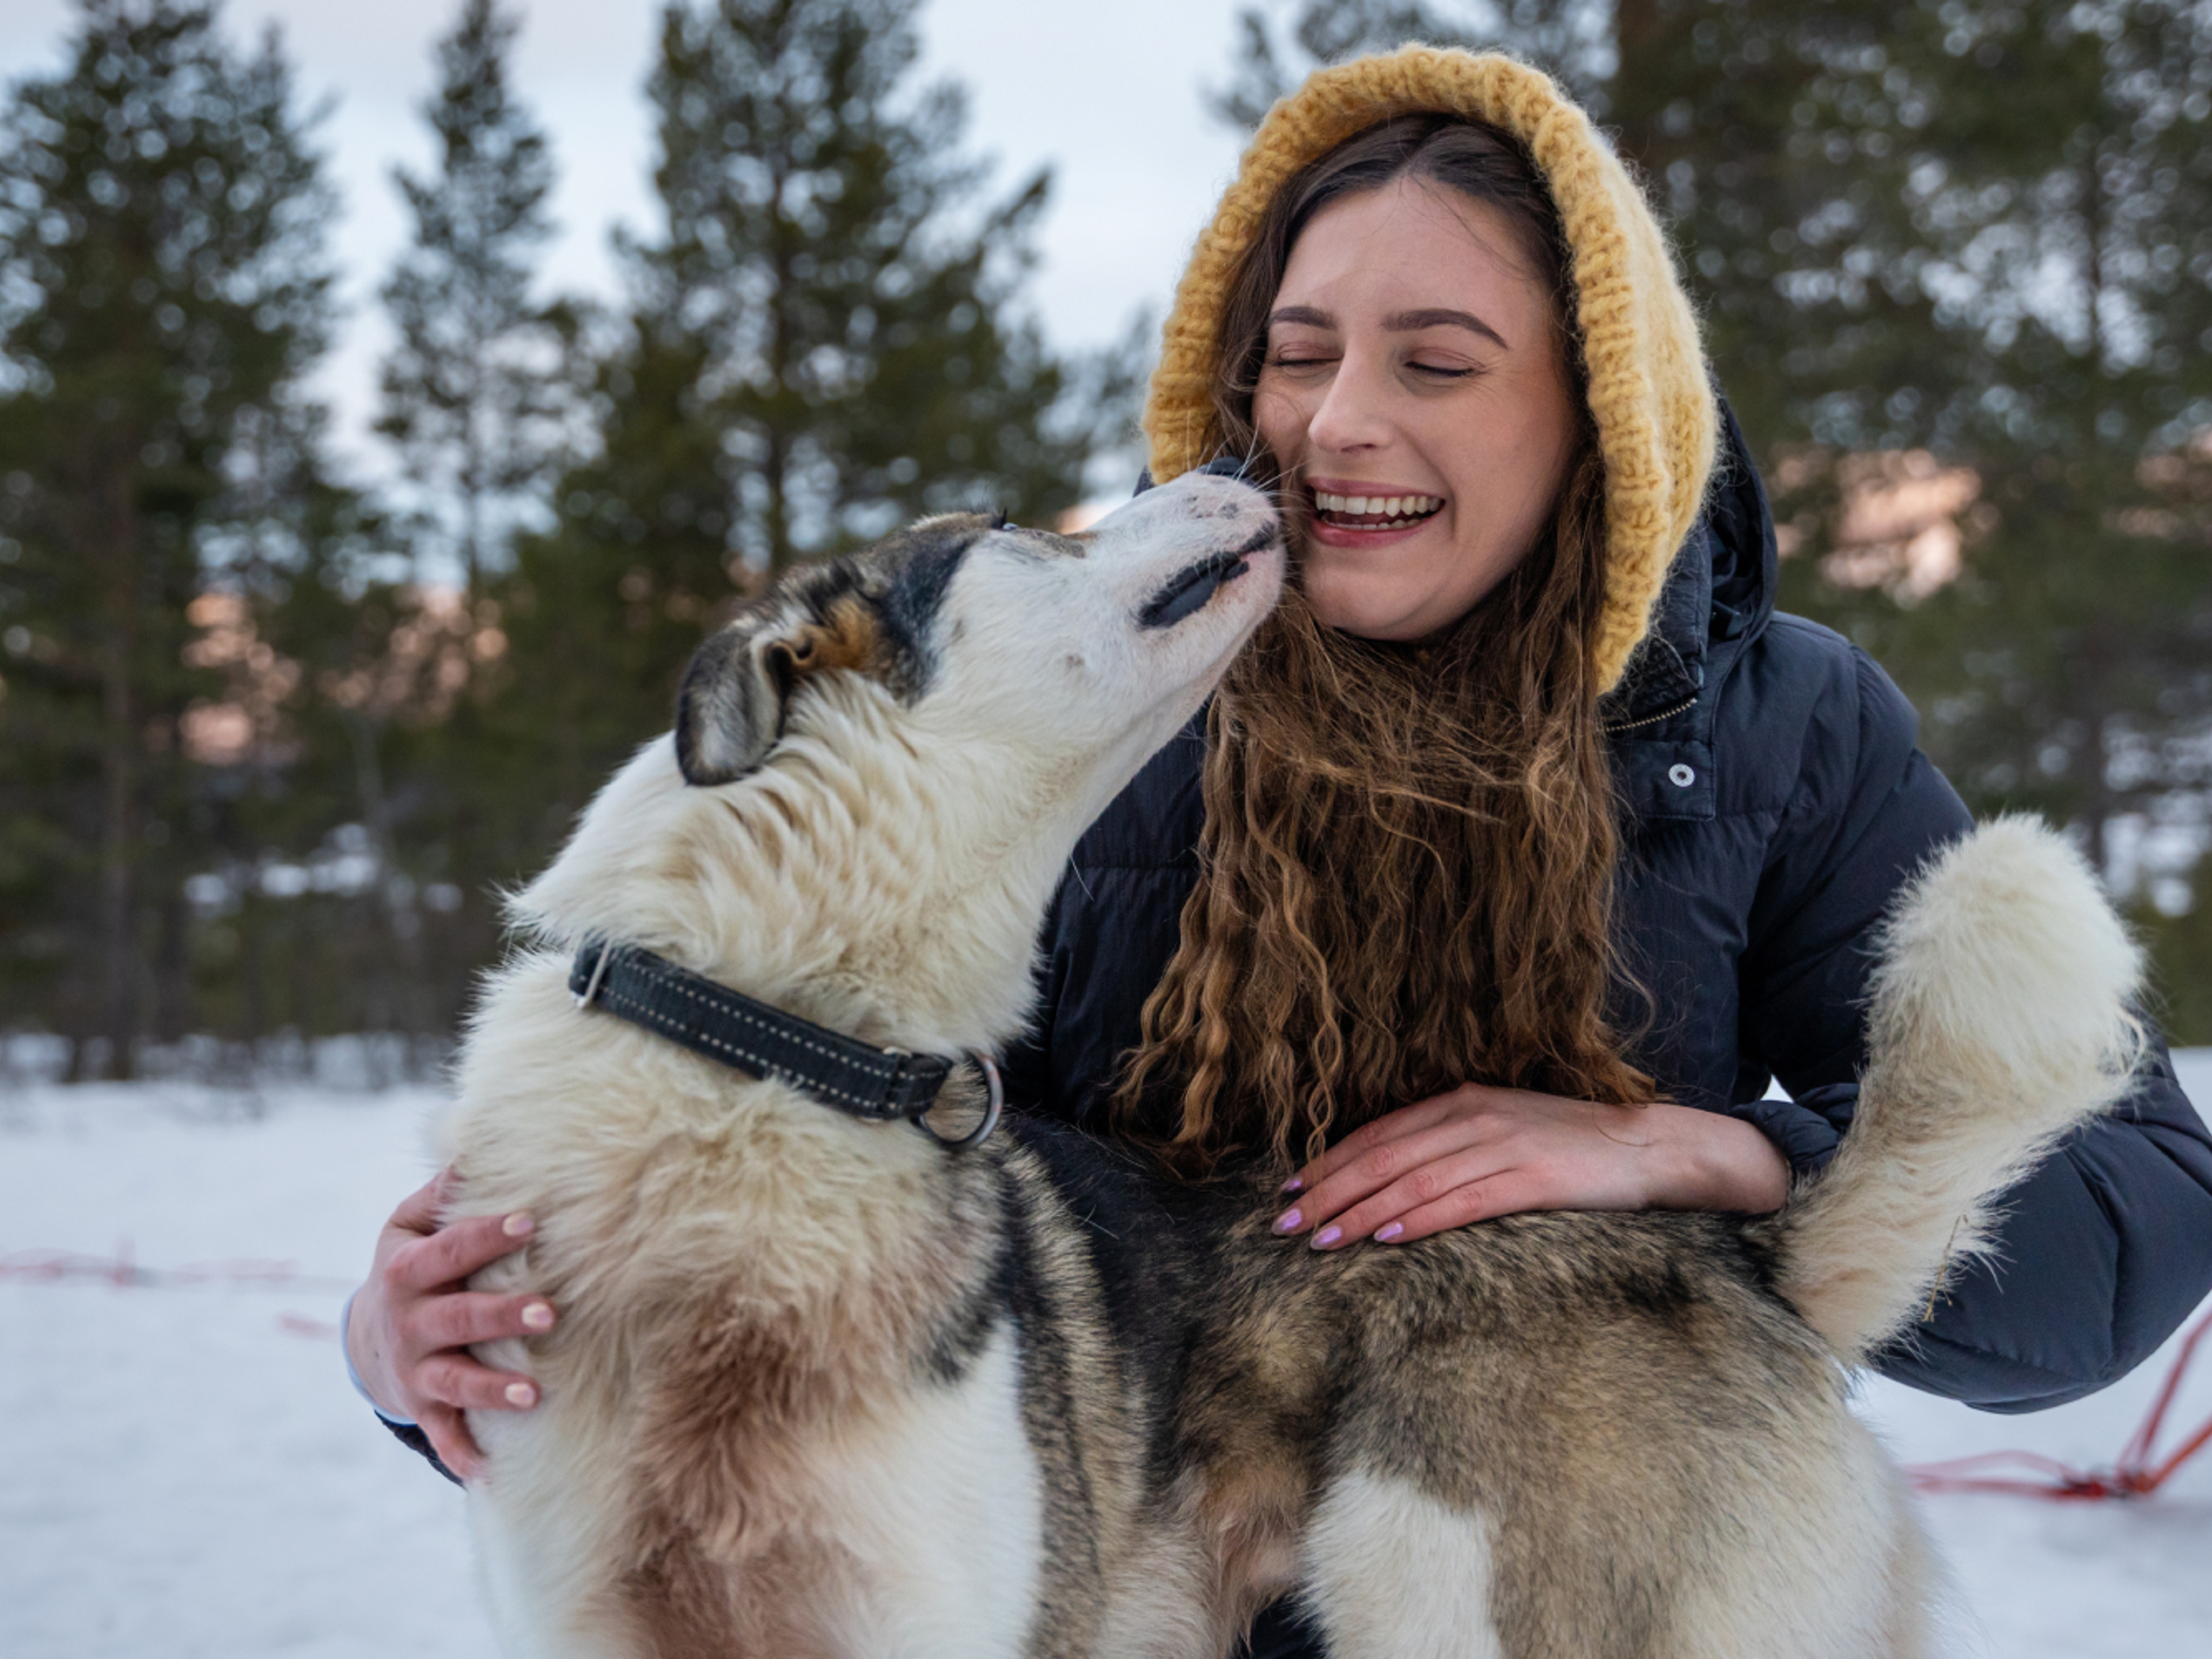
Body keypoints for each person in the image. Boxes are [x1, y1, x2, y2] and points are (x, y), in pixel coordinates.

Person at [344, 47, 2212, 1658]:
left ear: (1598, 409)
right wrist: (448, 1346)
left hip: (1618, 1527)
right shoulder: (1097, 733)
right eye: (1299, 353)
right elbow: (851, 1208)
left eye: (1441, 360)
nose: (1340, 424)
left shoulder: (1772, 723)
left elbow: (2128, 1218)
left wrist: (1719, 1150)